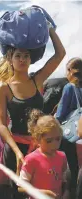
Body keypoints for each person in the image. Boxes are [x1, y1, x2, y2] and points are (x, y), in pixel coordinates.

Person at [0, 20, 65, 198]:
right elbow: (2, 124)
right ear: (10, 59)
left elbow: (60, 54)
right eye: (18, 55)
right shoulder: (4, 88)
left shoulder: (38, 80)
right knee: (17, 192)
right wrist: (18, 151)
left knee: (44, 188)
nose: (22, 59)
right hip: (15, 149)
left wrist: (49, 29)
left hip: (41, 146)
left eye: (26, 56)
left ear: (30, 59)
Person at [19, 109, 70, 199]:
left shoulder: (62, 156)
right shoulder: (31, 159)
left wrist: (66, 193)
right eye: (49, 141)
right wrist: (40, 192)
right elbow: (21, 187)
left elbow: (64, 181)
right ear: (37, 139)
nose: (55, 144)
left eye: (58, 139)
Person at [55, 57, 82, 198]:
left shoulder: (69, 87)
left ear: (70, 71)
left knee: (69, 167)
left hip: (69, 135)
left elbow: (60, 114)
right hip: (81, 137)